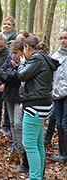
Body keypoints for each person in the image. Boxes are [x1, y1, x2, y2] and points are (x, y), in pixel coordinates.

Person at [17, 35, 59, 179]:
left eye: (24, 50)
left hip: (35, 105)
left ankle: (35, 177)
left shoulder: (37, 59)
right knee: (38, 142)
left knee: (29, 144)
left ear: (27, 48)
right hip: (42, 104)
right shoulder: (45, 59)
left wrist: (22, 63)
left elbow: (22, 75)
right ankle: (39, 174)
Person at [0, 40, 29, 173]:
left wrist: (15, 70)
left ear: (22, 51)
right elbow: (2, 75)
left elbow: (21, 77)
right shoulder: (9, 59)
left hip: (20, 97)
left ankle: (23, 151)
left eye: (15, 52)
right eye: (12, 52)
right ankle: (16, 149)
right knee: (11, 123)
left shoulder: (27, 62)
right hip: (9, 95)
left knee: (18, 124)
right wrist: (13, 72)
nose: (13, 55)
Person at [50, 28, 67, 163]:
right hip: (57, 95)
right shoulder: (55, 56)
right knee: (59, 124)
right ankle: (62, 152)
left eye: (65, 38)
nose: (63, 41)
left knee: (65, 124)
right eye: (61, 38)